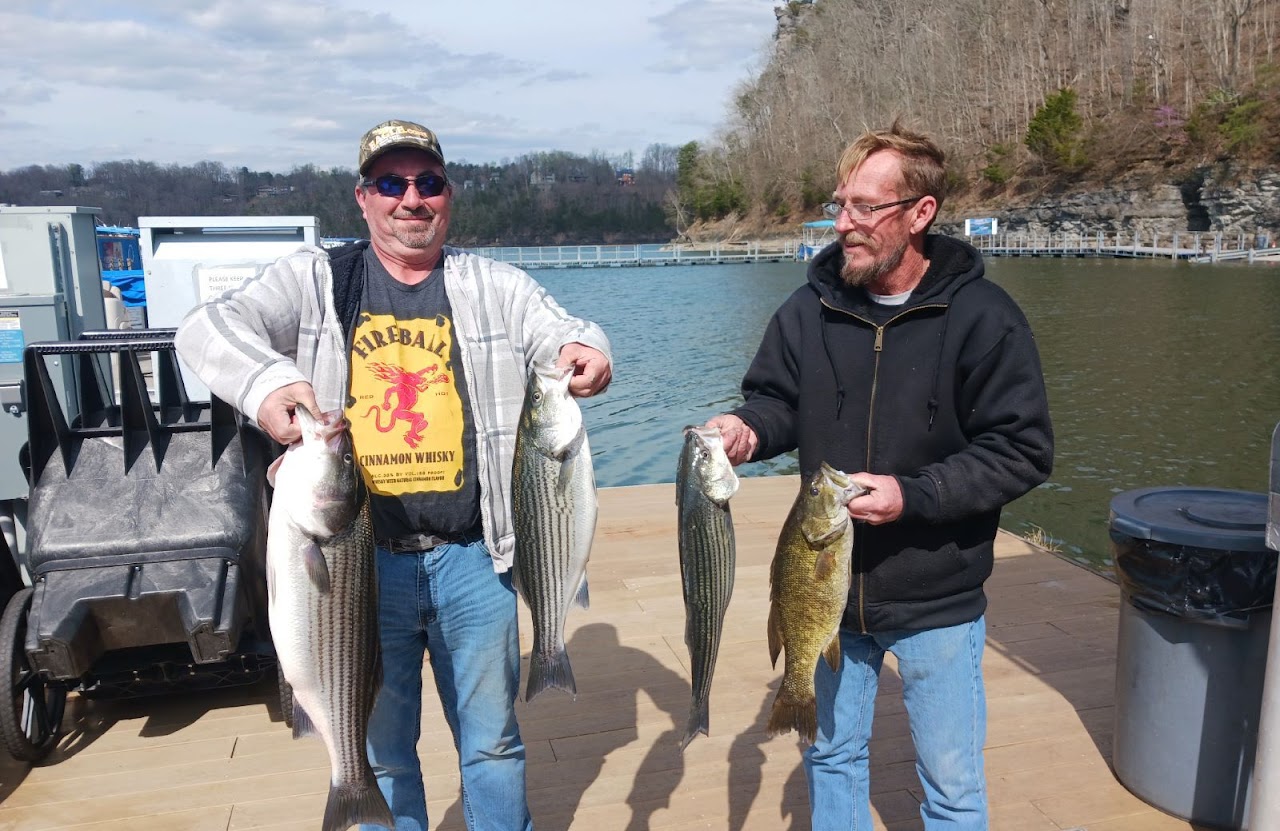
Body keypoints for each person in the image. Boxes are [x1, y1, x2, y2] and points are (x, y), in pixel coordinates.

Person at [176, 119, 612, 831]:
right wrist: (269, 385)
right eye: (391, 183)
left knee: (495, 744)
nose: (411, 198)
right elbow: (204, 325)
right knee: (380, 756)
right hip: (358, 567)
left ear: (448, 196)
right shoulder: (318, 278)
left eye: (428, 183)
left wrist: (583, 348)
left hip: (476, 559)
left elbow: (560, 327)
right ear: (363, 198)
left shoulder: (489, 283)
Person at [707, 122, 1053, 830]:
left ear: (921, 214)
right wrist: (746, 428)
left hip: (937, 596)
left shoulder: (985, 317)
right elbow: (775, 400)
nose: (844, 225)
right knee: (830, 760)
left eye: (866, 207)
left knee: (951, 785)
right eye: (840, 205)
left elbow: (1021, 448)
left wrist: (914, 495)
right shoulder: (809, 309)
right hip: (822, 594)